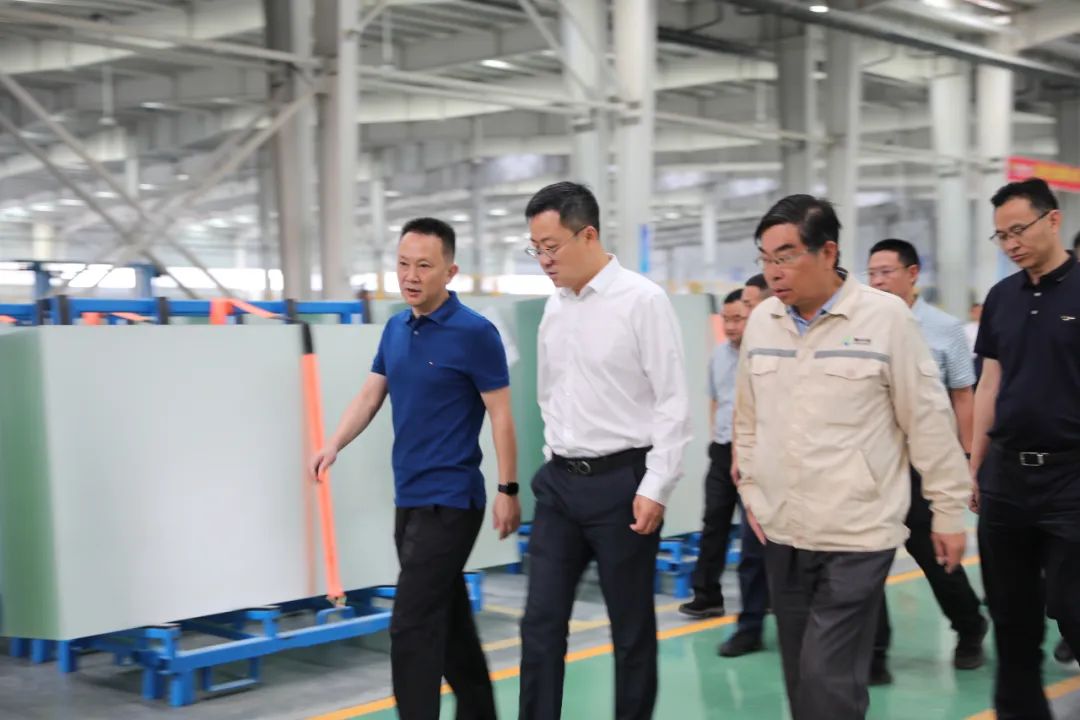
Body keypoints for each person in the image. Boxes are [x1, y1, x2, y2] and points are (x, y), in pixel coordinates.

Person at [733, 194, 969, 720]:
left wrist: (949, 511)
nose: (773, 272)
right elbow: (746, 417)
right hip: (783, 529)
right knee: (801, 678)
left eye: (786, 256)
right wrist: (750, 486)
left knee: (828, 679)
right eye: (766, 259)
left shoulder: (885, 319)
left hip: (857, 531)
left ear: (828, 252)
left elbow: (927, 419)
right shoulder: (763, 321)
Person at [311, 217, 521, 720]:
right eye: (403, 264)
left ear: (450, 271)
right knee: (449, 623)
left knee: (411, 626)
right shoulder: (395, 328)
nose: (410, 275)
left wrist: (508, 488)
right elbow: (370, 395)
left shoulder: (475, 333)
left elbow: (501, 414)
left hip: (451, 502)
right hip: (409, 498)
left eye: (423, 266)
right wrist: (334, 443)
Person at [518, 181, 691, 720]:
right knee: (541, 622)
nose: (544, 260)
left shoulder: (642, 301)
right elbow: (550, 393)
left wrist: (656, 485)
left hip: (623, 485)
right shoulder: (555, 308)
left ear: (588, 235)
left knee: (630, 627)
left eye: (551, 247)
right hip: (560, 485)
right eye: (535, 249)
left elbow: (672, 400)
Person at [971, 178, 1080, 719]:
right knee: (1012, 622)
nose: (1010, 244)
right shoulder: (1001, 298)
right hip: (1007, 478)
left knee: (1073, 609)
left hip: (1072, 478)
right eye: (1001, 236)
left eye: (1018, 230)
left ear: (1053, 220)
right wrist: (974, 466)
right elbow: (989, 383)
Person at [865, 238, 988, 682]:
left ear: (912, 274)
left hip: (923, 467)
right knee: (868, 562)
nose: (877, 281)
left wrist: (967, 458)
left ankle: (970, 627)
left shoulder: (943, 328)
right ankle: (874, 653)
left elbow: (963, 395)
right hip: (875, 466)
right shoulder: (864, 324)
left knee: (935, 556)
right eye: (871, 274)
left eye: (886, 272)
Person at [679, 289, 747, 619]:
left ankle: (762, 598)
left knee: (757, 531)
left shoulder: (763, 356)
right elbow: (715, 400)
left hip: (754, 452)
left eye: (738, 319)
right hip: (722, 450)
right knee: (713, 524)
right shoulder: (719, 354)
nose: (731, 326)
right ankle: (707, 596)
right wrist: (716, 440)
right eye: (726, 319)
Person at [719, 273, 772, 658]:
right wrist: (739, 457)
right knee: (752, 553)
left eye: (750, 305)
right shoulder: (752, 349)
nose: (745, 313)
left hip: (803, 470)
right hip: (758, 468)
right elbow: (743, 408)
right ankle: (749, 627)